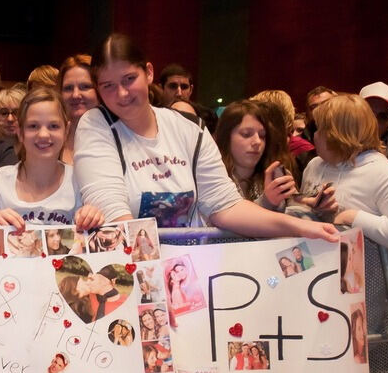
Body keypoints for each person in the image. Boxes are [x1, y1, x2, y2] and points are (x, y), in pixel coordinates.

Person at [74, 34, 338, 246]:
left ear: (149, 73)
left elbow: (225, 205)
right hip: (137, 267)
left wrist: (300, 226)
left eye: (129, 79)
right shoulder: (95, 125)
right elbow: (111, 209)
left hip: (191, 271)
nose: (121, 93)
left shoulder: (188, 128)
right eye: (107, 85)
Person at [297, 94, 388, 257]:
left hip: (365, 279)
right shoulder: (315, 165)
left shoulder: (384, 173)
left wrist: (352, 217)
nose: (314, 136)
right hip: (315, 270)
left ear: (337, 135)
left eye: (320, 129)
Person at [0, 87, 103, 230]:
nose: (44, 135)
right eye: (33, 126)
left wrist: (93, 217)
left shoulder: (81, 182)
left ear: (66, 130)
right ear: (20, 132)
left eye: (53, 126)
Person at [214, 100, 297, 208]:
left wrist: (301, 203)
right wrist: (266, 202)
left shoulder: (275, 175)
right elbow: (223, 219)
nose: (257, 142)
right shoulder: (213, 178)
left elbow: (294, 218)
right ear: (226, 138)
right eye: (246, 134)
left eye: (262, 136)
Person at [58, 55, 99, 164]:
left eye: (85, 86)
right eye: (68, 88)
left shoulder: (117, 137)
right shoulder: (52, 139)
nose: (75, 95)